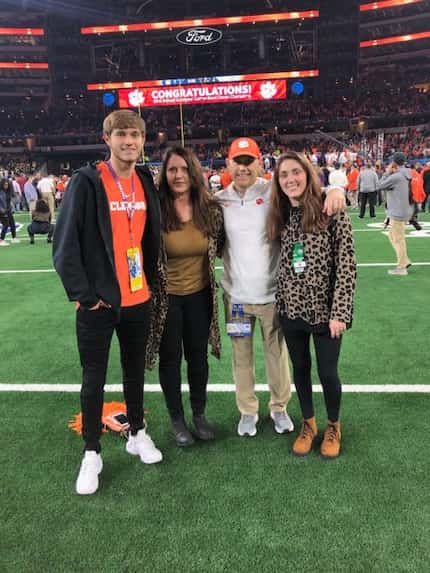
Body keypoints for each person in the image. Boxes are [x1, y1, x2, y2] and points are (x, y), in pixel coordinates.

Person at [53, 110, 164, 495]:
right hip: (99, 303)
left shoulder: (145, 180)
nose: (129, 141)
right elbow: (64, 248)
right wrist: (87, 297)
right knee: (93, 379)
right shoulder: (87, 182)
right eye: (121, 135)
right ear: (107, 139)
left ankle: (137, 432)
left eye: (135, 135)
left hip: (138, 297)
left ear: (143, 140)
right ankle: (92, 452)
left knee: (135, 373)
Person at [215, 137, 345, 438]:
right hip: (235, 298)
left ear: (260, 163)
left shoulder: (274, 194)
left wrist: (336, 188)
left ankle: (278, 407)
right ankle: (247, 410)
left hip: (273, 296)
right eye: (238, 161)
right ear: (229, 164)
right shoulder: (219, 200)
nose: (244, 167)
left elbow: (309, 191)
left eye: (249, 161)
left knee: (277, 355)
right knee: (241, 356)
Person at [267, 151, 356, 459]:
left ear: (308, 173)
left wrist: (340, 312)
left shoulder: (331, 209)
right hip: (291, 310)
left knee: (328, 372)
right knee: (301, 369)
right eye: (283, 175)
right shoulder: (280, 213)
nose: (290, 179)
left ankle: (333, 425)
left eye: (296, 172)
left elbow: (346, 265)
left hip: (325, 312)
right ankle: (309, 424)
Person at [150, 146, 224, 447]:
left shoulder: (210, 209)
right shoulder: (155, 208)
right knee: (170, 360)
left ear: (194, 172)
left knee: (198, 359)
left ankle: (199, 413)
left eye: (183, 169)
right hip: (166, 298)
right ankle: (176, 418)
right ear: (164, 175)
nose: (178, 175)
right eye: (172, 170)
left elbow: (220, 246)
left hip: (200, 296)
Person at [377, 152, 412, 276]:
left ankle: (402, 267)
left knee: (398, 239)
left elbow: (379, 185)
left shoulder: (397, 176)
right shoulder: (406, 172)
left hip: (398, 211)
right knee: (392, 236)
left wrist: (386, 172)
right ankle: (405, 260)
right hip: (402, 209)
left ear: (395, 162)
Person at [0, 178, 20, 245]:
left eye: (7, 184)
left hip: (8, 210)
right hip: (2, 211)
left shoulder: (8, 191)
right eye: (5, 184)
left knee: (12, 223)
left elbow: (10, 200)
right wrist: (1, 210)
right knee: (5, 224)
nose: (6, 185)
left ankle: (14, 238)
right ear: (2, 184)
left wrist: (11, 207)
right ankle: (1, 240)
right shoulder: (0, 192)